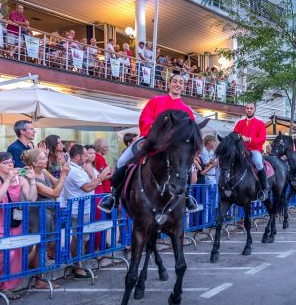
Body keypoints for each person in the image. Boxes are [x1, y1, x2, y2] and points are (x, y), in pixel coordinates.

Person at [98, 74, 198, 213]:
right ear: (169, 84)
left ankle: (187, 197)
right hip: (151, 140)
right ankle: (113, 196)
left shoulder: (187, 110)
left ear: (183, 87)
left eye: (181, 82)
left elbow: (190, 130)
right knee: (122, 161)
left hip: (174, 147)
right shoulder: (156, 101)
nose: (177, 84)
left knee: (186, 167)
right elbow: (144, 117)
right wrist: (154, 128)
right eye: (175, 81)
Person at [0, 152, 37, 299]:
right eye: (6, 162)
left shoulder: (20, 178)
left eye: (11, 161)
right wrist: (7, 181)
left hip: (16, 220)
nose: (11, 164)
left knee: (16, 254)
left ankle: (6, 286)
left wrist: (32, 181)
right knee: (4, 254)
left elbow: (31, 198)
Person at [22, 148, 69, 288]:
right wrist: (64, 175)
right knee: (40, 244)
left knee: (46, 244)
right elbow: (55, 192)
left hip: (48, 211)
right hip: (38, 213)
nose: (46, 160)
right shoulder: (32, 178)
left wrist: (63, 171)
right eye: (43, 158)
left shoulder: (44, 171)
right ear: (35, 163)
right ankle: (39, 279)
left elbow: (57, 183)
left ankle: (34, 271)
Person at [61, 145, 110, 278]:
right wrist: (101, 177)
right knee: (80, 238)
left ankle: (78, 265)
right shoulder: (74, 170)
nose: (88, 157)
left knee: (80, 237)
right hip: (79, 210)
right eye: (85, 155)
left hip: (83, 208)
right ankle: (78, 267)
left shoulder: (79, 168)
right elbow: (88, 187)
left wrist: (94, 175)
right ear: (77, 156)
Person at [233, 102, 269, 200]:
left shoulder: (260, 123)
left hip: (254, 150)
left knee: (258, 162)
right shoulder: (240, 123)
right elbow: (234, 135)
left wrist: (249, 139)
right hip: (241, 150)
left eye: (251, 108)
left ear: (254, 110)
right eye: (247, 108)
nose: (249, 110)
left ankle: (264, 190)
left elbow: (262, 139)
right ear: (245, 110)